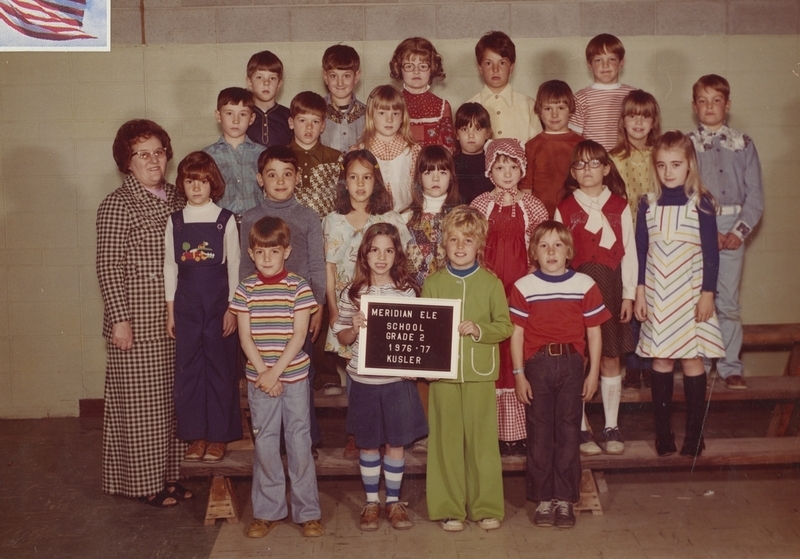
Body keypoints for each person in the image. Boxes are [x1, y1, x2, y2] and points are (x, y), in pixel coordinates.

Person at [97, 119, 188, 507]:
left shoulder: (179, 198)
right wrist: (119, 318)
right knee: (141, 408)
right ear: (126, 161)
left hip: (177, 319)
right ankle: (144, 484)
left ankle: (171, 477)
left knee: (171, 405)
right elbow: (108, 266)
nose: (154, 160)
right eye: (143, 154)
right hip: (136, 321)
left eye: (159, 152)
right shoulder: (117, 205)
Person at [510, 221, 609, 528]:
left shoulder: (585, 284)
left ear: (569, 251)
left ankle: (565, 499)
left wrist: (592, 373)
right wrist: (518, 374)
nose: (551, 251)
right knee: (540, 433)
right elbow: (516, 335)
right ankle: (542, 500)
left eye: (557, 245)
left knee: (567, 433)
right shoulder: (523, 286)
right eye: (543, 246)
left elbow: (594, 333)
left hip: (571, 365)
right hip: (537, 365)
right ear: (534, 253)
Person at [230, 216, 323, 538]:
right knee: (266, 445)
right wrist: (264, 374)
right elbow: (244, 337)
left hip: (293, 378)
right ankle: (267, 511)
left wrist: (277, 373)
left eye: (274, 251)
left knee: (299, 443)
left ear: (286, 251)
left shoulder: (298, 287)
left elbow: (299, 337)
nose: (267, 258)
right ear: (251, 254)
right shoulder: (245, 290)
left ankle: (307, 512)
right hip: (261, 381)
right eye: (260, 252)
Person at [634, 131, 725, 457]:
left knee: (691, 358)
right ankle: (663, 435)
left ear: (689, 165)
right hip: (659, 292)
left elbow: (712, 255)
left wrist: (708, 294)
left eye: (676, 164)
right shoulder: (647, 204)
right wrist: (640, 293)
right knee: (661, 359)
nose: (668, 172)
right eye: (661, 165)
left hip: (690, 294)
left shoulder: (701, 202)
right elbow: (641, 252)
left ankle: (694, 435)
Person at [423, 206, 513, 532]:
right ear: (443, 244)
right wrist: (427, 366)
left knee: (482, 443)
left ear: (480, 245)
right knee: (446, 442)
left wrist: (479, 329)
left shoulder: (491, 284)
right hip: (443, 376)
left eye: (468, 240)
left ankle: (486, 506)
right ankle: (450, 509)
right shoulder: (432, 283)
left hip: (479, 373)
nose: (460, 246)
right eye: (453, 239)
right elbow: (424, 332)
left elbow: (504, 326)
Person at [332, 223, 427, 531]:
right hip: (363, 381)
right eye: (375, 250)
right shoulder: (353, 292)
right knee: (369, 444)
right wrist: (354, 327)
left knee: (396, 445)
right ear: (365, 255)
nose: (381, 257)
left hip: (397, 381)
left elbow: (417, 337)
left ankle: (394, 503)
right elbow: (342, 337)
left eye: (388, 250)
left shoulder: (408, 292)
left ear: (397, 255)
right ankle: (372, 502)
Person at [322, 150, 413, 458]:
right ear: (344, 182)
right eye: (353, 177)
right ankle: (358, 431)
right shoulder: (333, 221)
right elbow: (330, 269)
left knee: (382, 366)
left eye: (367, 177)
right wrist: (334, 312)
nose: (360, 184)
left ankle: (389, 434)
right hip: (350, 309)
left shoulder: (390, 219)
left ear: (377, 181)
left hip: (384, 306)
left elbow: (405, 260)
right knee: (354, 368)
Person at [239, 145, 326, 454]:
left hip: (299, 309)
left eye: (287, 174)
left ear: (297, 178)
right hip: (261, 312)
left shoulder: (308, 217)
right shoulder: (249, 218)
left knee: (302, 374)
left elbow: (317, 265)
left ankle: (305, 441)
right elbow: (245, 268)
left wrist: (318, 306)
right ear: (260, 179)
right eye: (272, 175)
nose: (279, 181)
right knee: (266, 375)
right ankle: (272, 443)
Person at [555, 140, 636, 456]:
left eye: (593, 164)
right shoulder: (565, 207)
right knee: (580, 357)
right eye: (579, 165)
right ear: (572, 172)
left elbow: (628, 253)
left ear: (606, 168)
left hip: (612, 289)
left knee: (610, 356)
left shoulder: (619, 206)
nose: (586, 170)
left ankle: (612, 424)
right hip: (576, 291)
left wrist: (628, 295)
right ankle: (581, 426)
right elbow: (557, 253)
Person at [471, 138, 548, 456]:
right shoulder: (479, 204)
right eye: (500, 167)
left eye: (513, 167)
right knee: (495, 351)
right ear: (490, 170)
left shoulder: (533, 205)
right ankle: (494, 431)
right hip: (490, 287)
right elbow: (472, 245)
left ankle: (521, 431)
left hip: (522, 285)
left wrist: (534, 274)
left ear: (522, 170)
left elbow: (543, 244)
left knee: (520, 349)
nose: (506, 173)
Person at [164, 152, 242, 464]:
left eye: (203, 181)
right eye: (190, 180)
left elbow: (235, 266)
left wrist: (232, 309)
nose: (197, 187)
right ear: (182, 184)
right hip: (185, 304)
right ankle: (196, 436)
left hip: (218, 302)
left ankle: (219, 436)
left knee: (220, 370)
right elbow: (170, 267)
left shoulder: (226, 220)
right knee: (190, 370)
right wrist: (171, 311)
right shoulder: (176, 222)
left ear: (213, 184)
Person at [688, 74, 764, 390]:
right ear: (694, 107)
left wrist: (738, 232)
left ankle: (731, 366)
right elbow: (686, 187)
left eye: (716, 100)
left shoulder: (743, 144)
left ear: (727, 105)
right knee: (702, 297)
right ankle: (702, 364)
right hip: (699, 226)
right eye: (703, 101)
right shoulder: (687, 144)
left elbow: (755, 196)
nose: (710, 106)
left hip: (733, 229)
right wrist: (707, 231)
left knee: (728, 301)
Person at [401, 145, 461, 456]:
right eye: (428, 171)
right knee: (423, 368)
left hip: (452, 301)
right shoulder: (405, 218)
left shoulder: (462, 216)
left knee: (448, 369)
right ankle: (424, 431)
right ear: (418, 177)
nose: (435, 177)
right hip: (416, 302)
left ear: (451, 175)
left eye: (442, 170)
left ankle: (448, 430)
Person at [609, 89, 662, 390]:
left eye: (645, 116)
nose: (638, 123)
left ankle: (651, 361)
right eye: (632, 116)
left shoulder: (661, 156)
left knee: (652, 298)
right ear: (623, 121)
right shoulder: (613, 158)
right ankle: (632, 364)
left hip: (656, 239)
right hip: (626, 240)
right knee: (628, 299)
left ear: (654, 121)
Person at [520, 80, 583, 217]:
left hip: (575, 216)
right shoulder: (531, 146)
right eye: (548, 109)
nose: (554, 115)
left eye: (561, 108)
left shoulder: (581, 145)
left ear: (571, 110)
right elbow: (526, 190)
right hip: (541, 217)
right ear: (539, 111)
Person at [202, 87, 265, 220]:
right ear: (218, 115)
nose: (236, 120)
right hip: (220, 225)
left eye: (243, 114)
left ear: (252, 118)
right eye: (229, 113)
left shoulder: (263, 154)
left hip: (256, 225)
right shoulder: (206, 156)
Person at [357, 84, 420, 213]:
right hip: (371, 218)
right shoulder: (360, 151)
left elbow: (419, 189)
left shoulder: (412, 150)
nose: (389, 119)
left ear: (402, 117)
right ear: (371, 115)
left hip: (406, 217)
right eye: (382, 113)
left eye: (395, 113)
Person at [468, 31, 539, 144]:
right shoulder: (468, 107)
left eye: (502, 63)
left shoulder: (529, 106)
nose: (495, 69)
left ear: (511, 67)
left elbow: (536, 149)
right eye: (488, 63)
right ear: (480, 68)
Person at [569, 34, 636, 151]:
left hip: (626, 161)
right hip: (594, 162)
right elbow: (575, 137)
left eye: (612, 59)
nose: (605, 65)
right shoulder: (581, 97)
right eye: (598, 60)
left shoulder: (633, 95)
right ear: (589, 64)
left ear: (621, 62)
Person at [390, 37, 456, 152]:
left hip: (431, 168)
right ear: (399, 69)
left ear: (432, 68)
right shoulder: (392, 103)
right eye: (409, 66)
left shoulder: (442, 106)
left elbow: (448, 148)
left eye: (423, 66)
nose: (416, 72)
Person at [287, 91, 343, 220]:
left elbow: (343, 199)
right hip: (290, 227)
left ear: (323, 126)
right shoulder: (280, 158)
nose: (309, 127)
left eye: (315, 122)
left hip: (326, 228)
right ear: (291, 122)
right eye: (302, 120)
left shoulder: (336, 158)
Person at [320, 44, 366, 154]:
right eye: (333, 76)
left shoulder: (368, 114)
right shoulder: (316, 111)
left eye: (346, 76)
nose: (340, 83)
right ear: (325, 77)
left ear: (356, 77)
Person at [245, 50, 291, 149]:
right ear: (249, 82)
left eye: (272, 78)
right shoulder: (243, 115)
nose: (266, 83)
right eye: (259, 77)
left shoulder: (289, 116)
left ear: (279, 84)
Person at [452, 102, 494, 204]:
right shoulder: (450, 164)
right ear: (457, 134)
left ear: (487, 133)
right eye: (464, 129)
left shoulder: (493, 164)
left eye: (478, 129)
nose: (471, 135)